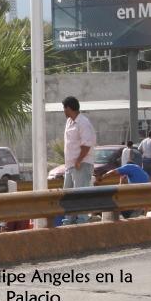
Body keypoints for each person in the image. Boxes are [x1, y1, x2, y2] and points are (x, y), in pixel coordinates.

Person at [62, 96, 96, 224]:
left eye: (64, 108)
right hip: (70, 166)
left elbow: (87, 145)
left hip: (81, 164)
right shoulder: (70, 122)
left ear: (69, 108)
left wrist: (78, 160)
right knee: (68, 195)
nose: (64, 111)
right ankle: (69, 220)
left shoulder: (83, 122)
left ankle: (82, 220)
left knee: (80, 193)